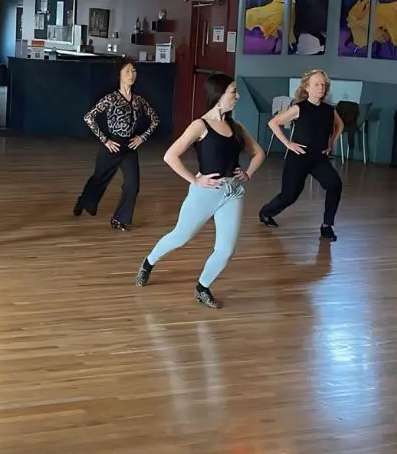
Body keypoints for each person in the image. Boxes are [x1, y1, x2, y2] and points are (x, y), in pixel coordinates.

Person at [133, 73, 265, 308]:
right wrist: (194, 180)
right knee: (181, 236)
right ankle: (148, 262)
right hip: (205, 192)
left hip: (232, 193)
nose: (238, 96)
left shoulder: (236, 126)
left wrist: (248, 173)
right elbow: (170, 156)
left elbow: (259, 153)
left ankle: (202, 287)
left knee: (225, 250)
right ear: (219, 94)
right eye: (233, 91)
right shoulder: (200, 125)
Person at [258, 69, 344, 241]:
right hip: (298, 158)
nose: (321, 87)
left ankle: (327, 226)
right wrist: (287, 144)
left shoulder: (329, 110)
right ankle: (265, 212)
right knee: (290, 196)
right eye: (316, 84)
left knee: (335, 185)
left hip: (319, 158)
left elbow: (339, 126)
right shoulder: (299, 108)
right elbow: (273, 122)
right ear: (307, 88)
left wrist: (330, 142)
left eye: (323, 84)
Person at [73, 60, 159, 230]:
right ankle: (83, 201)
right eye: (127, 71)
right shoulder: (111, 98)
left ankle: (120, 219)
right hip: (112, 145)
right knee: (99, 179)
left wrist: (142, 137)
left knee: (132, 184)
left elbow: (155, 120)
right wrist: (105, 140)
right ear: (119, 75)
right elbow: (89, 117)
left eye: (134, 71)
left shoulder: (139, 100)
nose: (131, 74)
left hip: (130, 147)